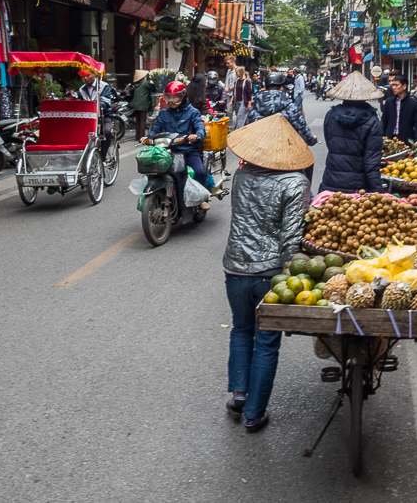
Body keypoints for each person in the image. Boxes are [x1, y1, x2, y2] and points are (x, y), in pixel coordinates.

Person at [222, 114, 312, 432]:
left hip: (234, 267)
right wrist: (292, 274)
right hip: (269, 274)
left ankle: (239, 396)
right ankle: (254, 414)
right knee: (266, 341)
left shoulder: (241, 176)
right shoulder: (295, 183)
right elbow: (291, 239)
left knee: (241, 330)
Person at [140, 80, 210, 211]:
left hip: (188, 151)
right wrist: (148, 137)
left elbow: (200, 128)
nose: (171, 101)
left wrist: (196, 136)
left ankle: (201, 198)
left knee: (199, 172)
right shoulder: (163, 113)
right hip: (167, 151)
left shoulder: (193, 112)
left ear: (183, 96)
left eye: (175, 97)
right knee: (152, 170)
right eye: (169, 97)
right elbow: (156, 129)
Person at [320, 71, 383, 194]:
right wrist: (378, 191)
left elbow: (330, 143)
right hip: (358, 187)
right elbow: (371, 162)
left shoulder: (330, 115)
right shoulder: (373, 121)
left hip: (331, 181)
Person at [247, 72, 317, 146]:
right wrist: (312, 139)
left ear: (265, 88)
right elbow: (303, 131)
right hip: (285, 150)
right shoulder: (291, 108)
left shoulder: (254, 109)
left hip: (261, 150)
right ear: (281, 88)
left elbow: (250, 132)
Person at [77, 68, 114, 159]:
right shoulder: (82, 89)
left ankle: (102, 156)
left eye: (88, 75)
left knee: (107, 132)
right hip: (87, 118)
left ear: (95, 75)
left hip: (103, 116)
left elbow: (105, 103)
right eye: (83, 76)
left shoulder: (103, 86)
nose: (85, 78)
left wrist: (93, 105)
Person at [380, 73, 417, 144]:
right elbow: (384, 121)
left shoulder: (413, 104)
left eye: (396, 85)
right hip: (389, 139)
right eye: (393, 85)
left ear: (404, 86)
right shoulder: (389, 102)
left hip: (406, 140)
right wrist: (381, 137)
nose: (393, 87)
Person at [129, 70, 154, 142]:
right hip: (143, 104)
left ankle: (137, 136)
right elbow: (153, 88)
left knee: (138, 121)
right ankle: (141, 136)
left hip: (136, 104)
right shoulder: (145, 83)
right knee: (143, 120)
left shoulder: (136, 84)